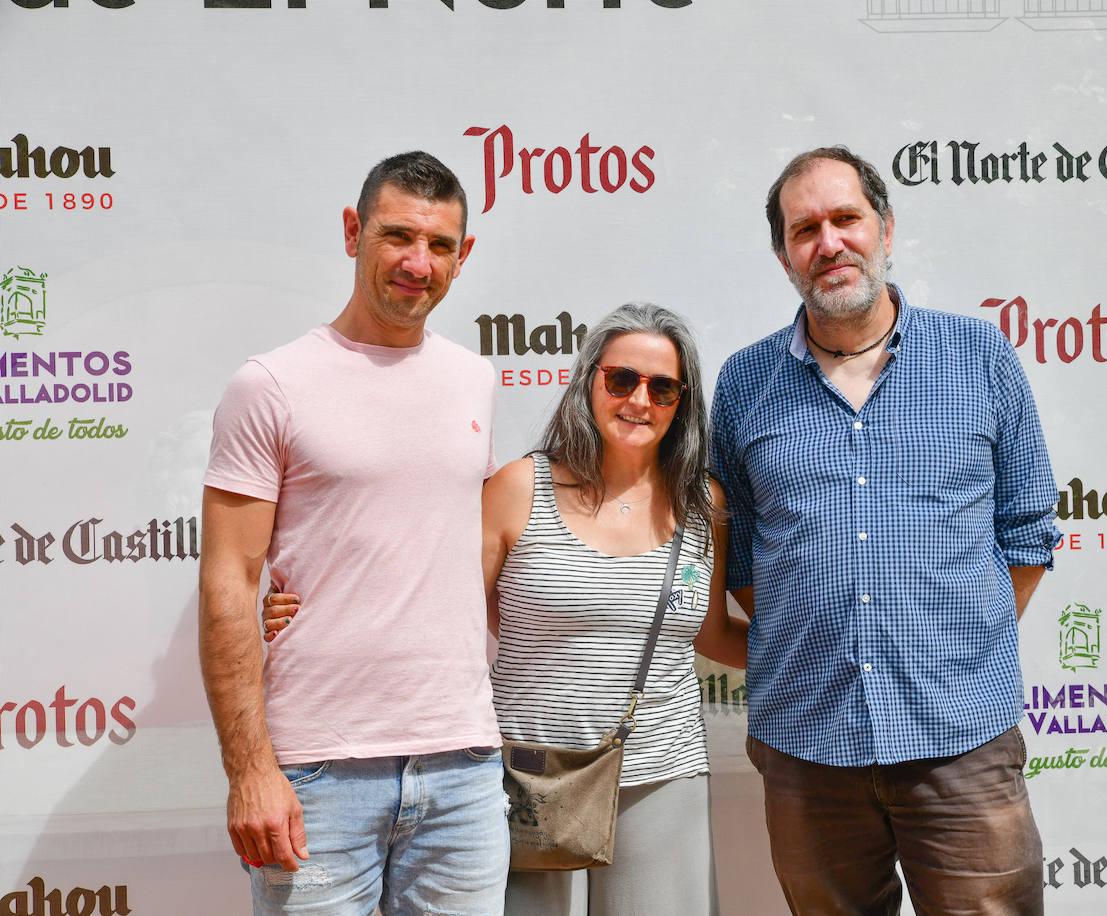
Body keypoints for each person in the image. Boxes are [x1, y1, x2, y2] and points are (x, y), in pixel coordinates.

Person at [264, 302, 748, 916]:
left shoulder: (703, 503)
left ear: (683, 402)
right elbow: (436, 600)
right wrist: (309, 613)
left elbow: (710, 632)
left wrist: (817, 656)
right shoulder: (522, 488)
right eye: (621, 378)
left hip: (662, 772)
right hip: (530, 775)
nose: (639, 400)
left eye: (663, 387)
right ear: (589, 381)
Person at [709, 147, 1061, 915]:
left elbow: (1029, 529)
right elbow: (736, 548)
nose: (829, 242)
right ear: (783, 256)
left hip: (961, 738)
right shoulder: (744, 383)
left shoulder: (979, 358)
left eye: (846, 219)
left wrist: (960, 647)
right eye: (805, 229)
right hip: (808, 744)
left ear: (886, 227)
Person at [198, 151, 508, 915]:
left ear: (463, 256)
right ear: (352, 232)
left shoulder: (475, 379)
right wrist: (250, 771)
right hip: (317, 774)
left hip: (463, 766)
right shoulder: (270, 385)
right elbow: (229, 580)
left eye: (440, 245)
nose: (417, 263)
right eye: (397, 236)